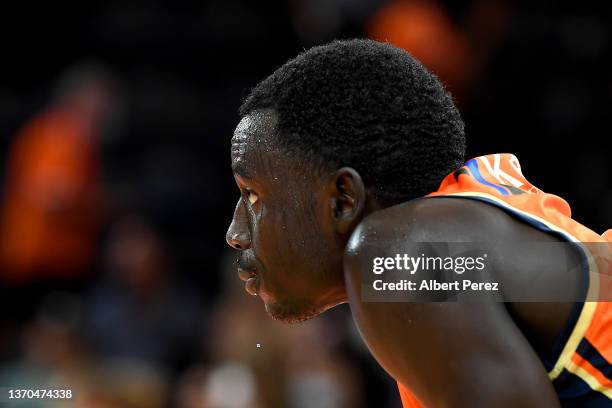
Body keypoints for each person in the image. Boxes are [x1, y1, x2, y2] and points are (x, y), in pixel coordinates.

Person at [225, 39, 612, 407]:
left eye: (253, 195)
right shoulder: (460, 233)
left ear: (343, 199)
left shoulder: (400, 256)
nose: (236, 234)